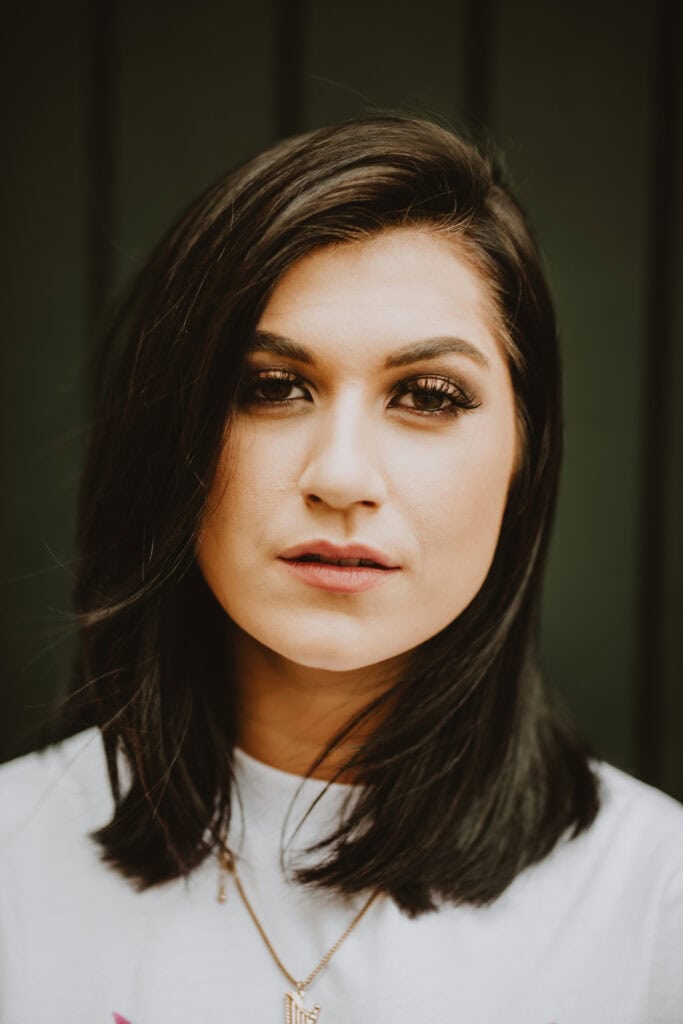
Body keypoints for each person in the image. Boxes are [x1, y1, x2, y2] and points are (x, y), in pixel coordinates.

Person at [0, 115, 681, 1024]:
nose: (342, 476)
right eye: (271, 387)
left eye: (428, 396)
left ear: (525, 454)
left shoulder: (654, 906)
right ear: (172, 439)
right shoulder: (13, 863)